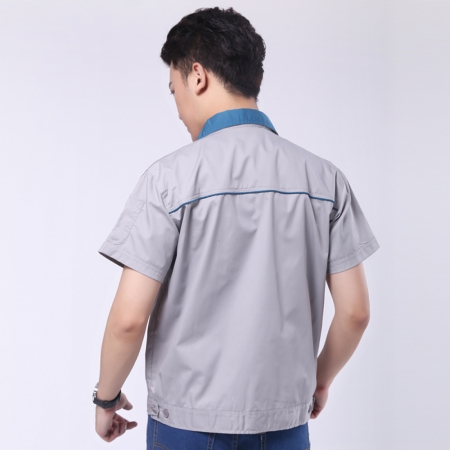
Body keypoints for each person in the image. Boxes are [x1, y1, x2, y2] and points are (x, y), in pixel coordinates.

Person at [93, 7, 380, 449]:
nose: (178, 110)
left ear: (197, 76)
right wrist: (319, 380)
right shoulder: (325, 180)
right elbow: (356, 312)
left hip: (185, 426)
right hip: (285, 424)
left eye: (174, 91)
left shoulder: (168, 180)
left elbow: (129, 320)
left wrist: (106, 399)